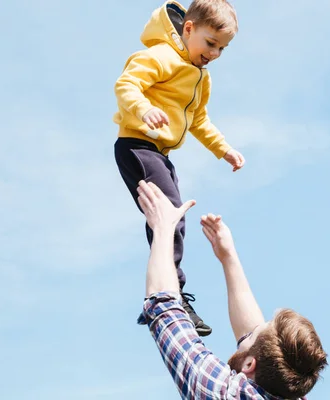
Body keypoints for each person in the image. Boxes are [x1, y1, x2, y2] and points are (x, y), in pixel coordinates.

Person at [113, 0, 245, 337]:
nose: (214, 54)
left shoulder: (201, 78)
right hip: (137, 145)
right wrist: (143, 110)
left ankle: (167, 288)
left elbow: (199, 121)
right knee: (170, 214)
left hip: (160, 153)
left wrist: (224, 149)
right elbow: (126, 85)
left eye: (222, 48)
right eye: (210, 43)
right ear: (188, 29)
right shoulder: (160, 56)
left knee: (171, 217)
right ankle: (170, 293)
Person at [136, 180, 328, 399]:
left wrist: (162, 228)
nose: (254, 326)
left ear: (249, 364)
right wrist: (228, 257)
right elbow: (255, 340)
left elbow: (164, 307)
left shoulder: (221, 393)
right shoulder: (291, 386)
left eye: (258, 330)